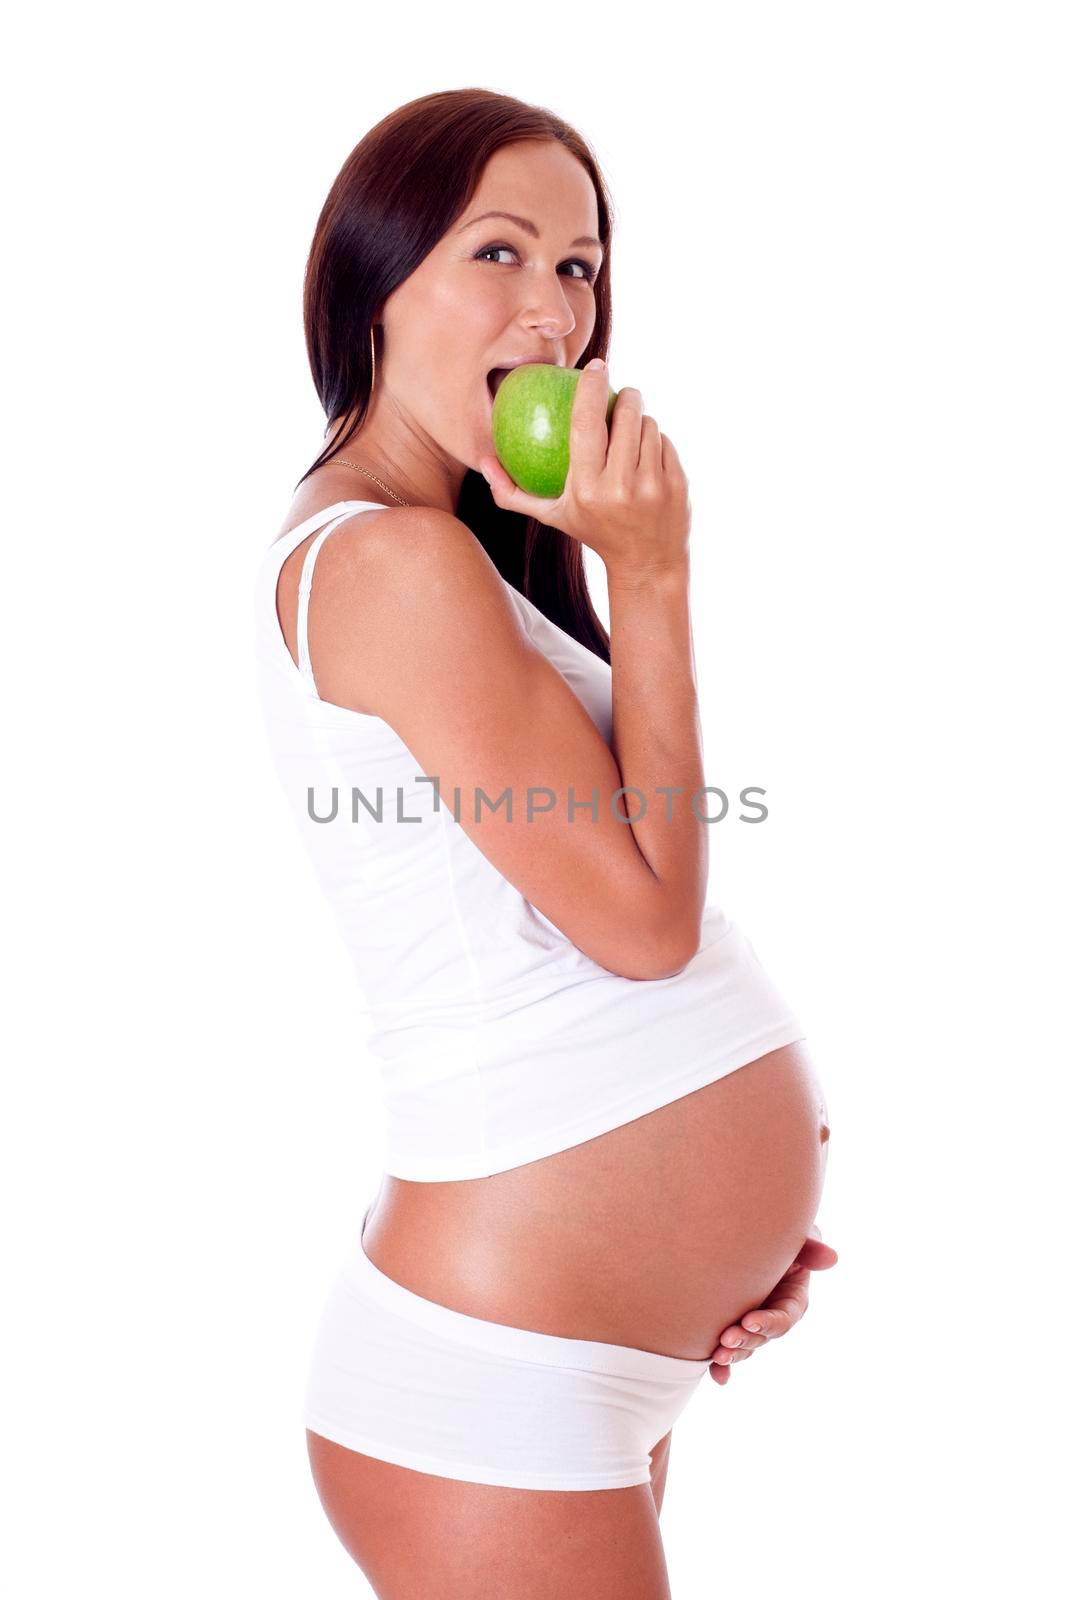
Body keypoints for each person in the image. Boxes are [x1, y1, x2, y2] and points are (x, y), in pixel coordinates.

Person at [254, 88, 837, 1599]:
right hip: (497, 1378)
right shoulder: (387, 563)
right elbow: (643, 924)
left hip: (560, 1356)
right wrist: (649, 575)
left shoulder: (450, 559)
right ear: (370, 283)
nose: (553, 312)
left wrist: (711, 1239)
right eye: (496, 254)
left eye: (579, 267)